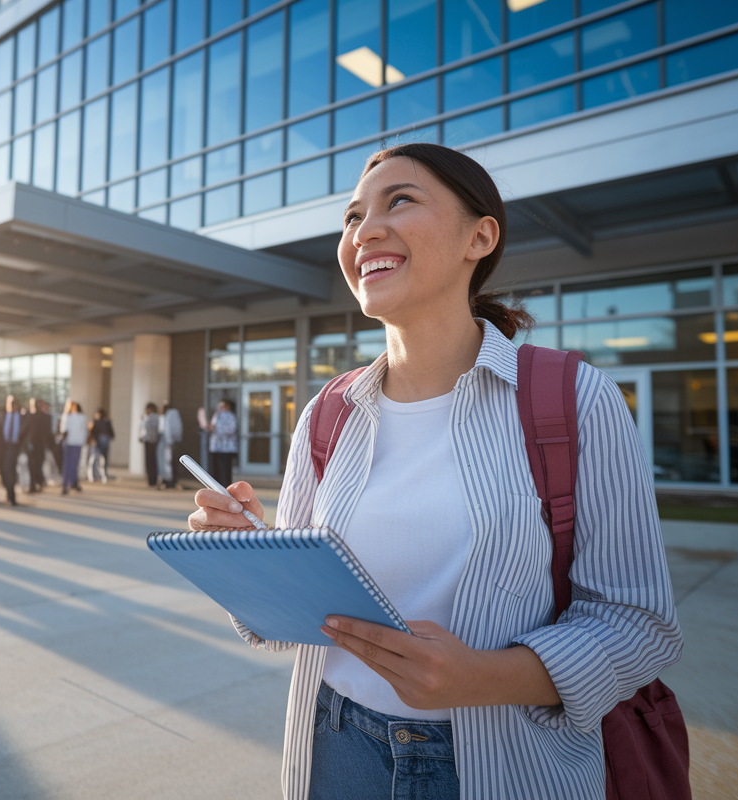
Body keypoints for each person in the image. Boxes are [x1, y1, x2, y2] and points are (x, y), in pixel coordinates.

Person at [188, 143, 682, 800]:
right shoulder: (327, 413)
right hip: (336, 746)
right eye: (352, 216)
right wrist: (248, 557)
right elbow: (291, 618)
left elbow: (640, 622)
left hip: (506, 760)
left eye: (401, 201)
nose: (364, 231)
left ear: (480, 236)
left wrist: (484, 676)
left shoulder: (574, 399)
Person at [0, 395, 28, 507]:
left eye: (13, 403)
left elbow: (26, 434)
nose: (11, 406)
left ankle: (11, 496)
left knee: (10, 470)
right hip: (4, 448)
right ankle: (9, 493)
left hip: (16, 448)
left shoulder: (23, 418)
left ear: (17, 405)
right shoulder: (2, 416)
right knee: (5, 471)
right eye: (9, 403)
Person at [206, 399, 237, 488]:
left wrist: (218, 429)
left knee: (225, 469)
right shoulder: (217, 415)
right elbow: (211, 427)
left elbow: (231, 430)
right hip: (216, 447)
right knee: (215, 469)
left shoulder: (231, 416)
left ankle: (226, 487)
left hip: (226, 448)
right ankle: (215, 486)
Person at [25, 398, 54, 493]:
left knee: (36, 465)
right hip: (34, 445)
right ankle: (36, 483)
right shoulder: (31, 416)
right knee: (34, 465)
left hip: (38, 445)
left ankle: (37, 483)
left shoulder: (44, 417)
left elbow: (47, 433)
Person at [59, 400, 87, 495]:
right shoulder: (67, 416)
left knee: (74, 464)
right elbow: (63, 429)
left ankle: (73, 483)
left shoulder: (82, 417)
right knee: (67, 465)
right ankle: (65, 484)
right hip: (69, 443)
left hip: (77, 443)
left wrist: (83, 441)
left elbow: (84, 430)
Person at [158, 402, 184, 489]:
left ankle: (170, 480)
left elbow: (169, 429)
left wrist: (170, 441)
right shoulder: (168, 415)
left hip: (169, 441)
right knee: (166, 461)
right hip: (168, 441)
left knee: (169, 461)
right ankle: (167, 479)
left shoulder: (170, 415)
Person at [88, 409, 114, 482]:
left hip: (98, 441)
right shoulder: (107, 422)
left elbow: (93, 432)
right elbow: (111, 432)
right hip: (105, 441)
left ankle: (96, 475)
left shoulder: (96, 422)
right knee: (104, 459)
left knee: (95, 458)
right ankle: (103, 474)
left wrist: (93, 439)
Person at [138, 403, 161, 487]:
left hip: (149, 442)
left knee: (150, 462)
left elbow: (144, 430)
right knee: (153, 462)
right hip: (155, 441)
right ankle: (153, 480)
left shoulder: (148, 418)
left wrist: (141, 437)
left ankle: (151, 480)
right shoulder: (157, 417)